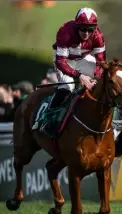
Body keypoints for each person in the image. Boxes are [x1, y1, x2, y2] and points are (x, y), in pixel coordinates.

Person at [43, 7, 106, 135]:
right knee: (67, 87)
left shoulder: (98, 36)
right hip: (65, 60)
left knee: (100, 85)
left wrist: (97, 78)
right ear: (77, 26)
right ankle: (48, 119)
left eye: (90, 29)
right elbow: (61, 62)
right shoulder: (65, 31)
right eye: (83, 29)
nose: (87, 33)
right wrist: (79, 76)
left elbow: (101, 62)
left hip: (83, 58)